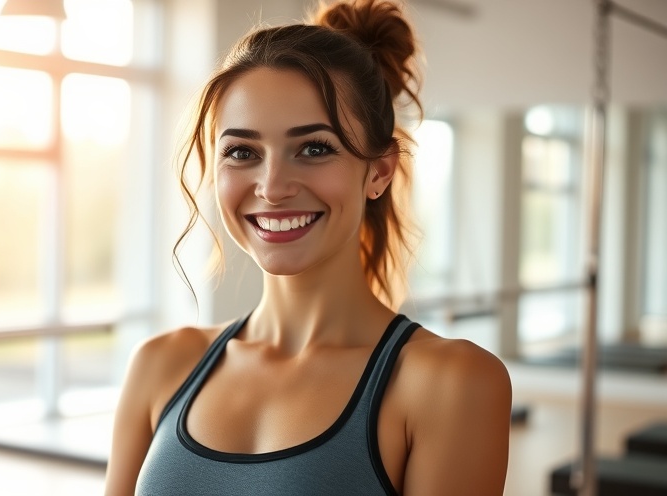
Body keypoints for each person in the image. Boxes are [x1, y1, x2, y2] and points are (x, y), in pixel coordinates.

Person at [105, 0, 512, 494]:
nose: (272, 186)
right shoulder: (161, 364)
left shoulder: (449, 383)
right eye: (242, 152)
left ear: (379, 171)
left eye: (314, 148)